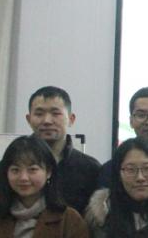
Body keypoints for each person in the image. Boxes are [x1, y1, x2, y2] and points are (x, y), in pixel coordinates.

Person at [25, 86, 101, 214]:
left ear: (71, 119)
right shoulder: (11, 166)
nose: (47, 121)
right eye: (39, 114)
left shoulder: (90, 168)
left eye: (55, 113)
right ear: (28, 119)